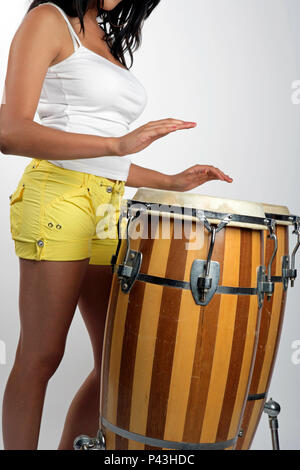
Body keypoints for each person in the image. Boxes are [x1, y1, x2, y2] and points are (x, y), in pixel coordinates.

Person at [0, 0, 233, 450]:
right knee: (41, 355)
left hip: (107, 201)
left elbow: (104, 160)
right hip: (58, 194)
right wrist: (118, 141)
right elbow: (10, 132)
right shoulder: (48, 19)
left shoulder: (104, 35)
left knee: (117, 363)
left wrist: (169, 181)